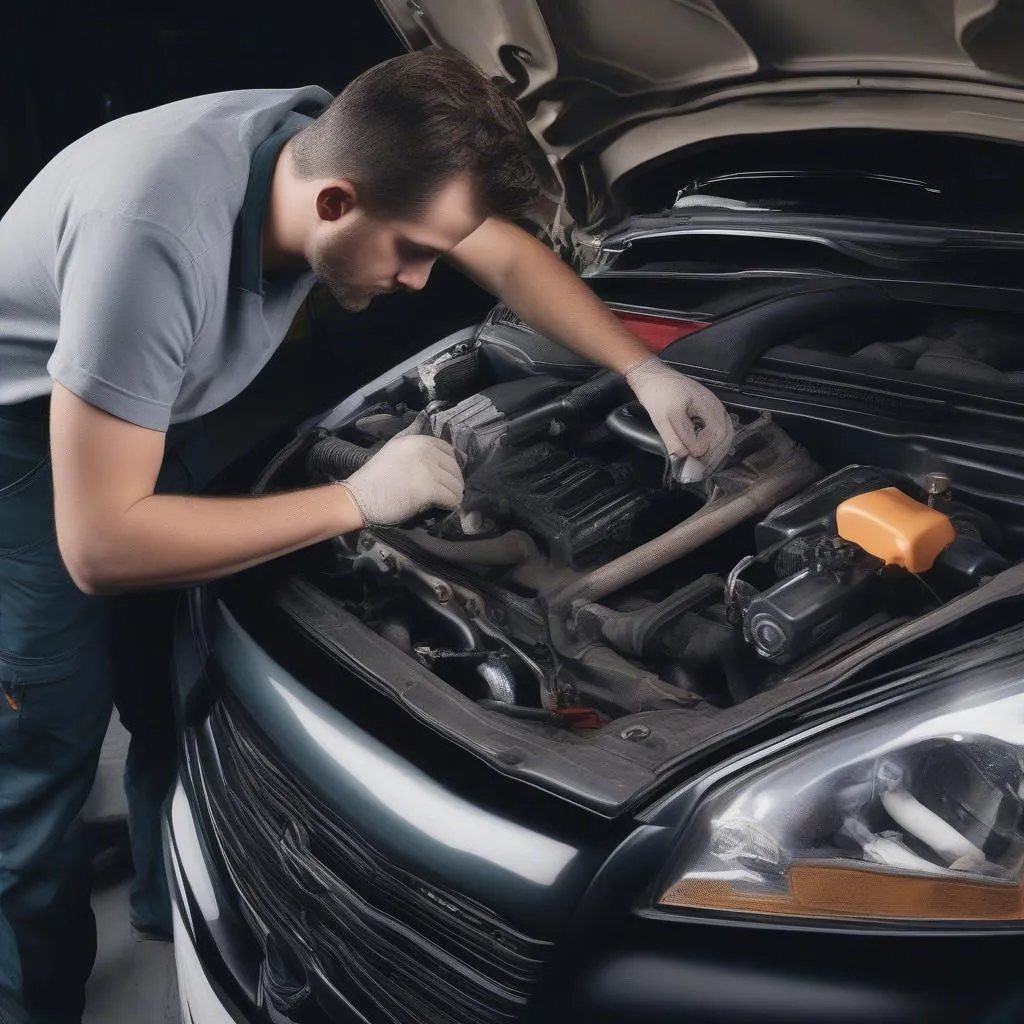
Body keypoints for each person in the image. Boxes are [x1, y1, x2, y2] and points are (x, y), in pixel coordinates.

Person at [0, 50, 732, 1023]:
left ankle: (163, 905)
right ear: (337, 202)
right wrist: (357, 499)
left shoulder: (335, 142)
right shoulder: (152, 237)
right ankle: (34, 994)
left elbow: (502, 252)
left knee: (166, 680)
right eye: (411, 252)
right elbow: (99, 544)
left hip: (142, 401)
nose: (424, 281)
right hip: (21, 447)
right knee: (44, 744)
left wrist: (641, 371)